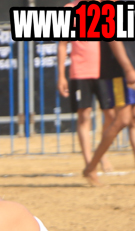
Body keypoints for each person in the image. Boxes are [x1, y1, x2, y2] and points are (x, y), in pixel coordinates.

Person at [81, 40, 135, 187]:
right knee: (122, 120)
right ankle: (91, 167)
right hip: (118, 70)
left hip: (132, 66)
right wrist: (128, 69)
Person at [55, 2, 110, 174]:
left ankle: (100, 154)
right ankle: (89, 164)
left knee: (111, 116)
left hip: (103, 71)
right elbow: (62, 44)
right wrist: (61, 75)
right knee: (84, 116)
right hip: (80, 72)